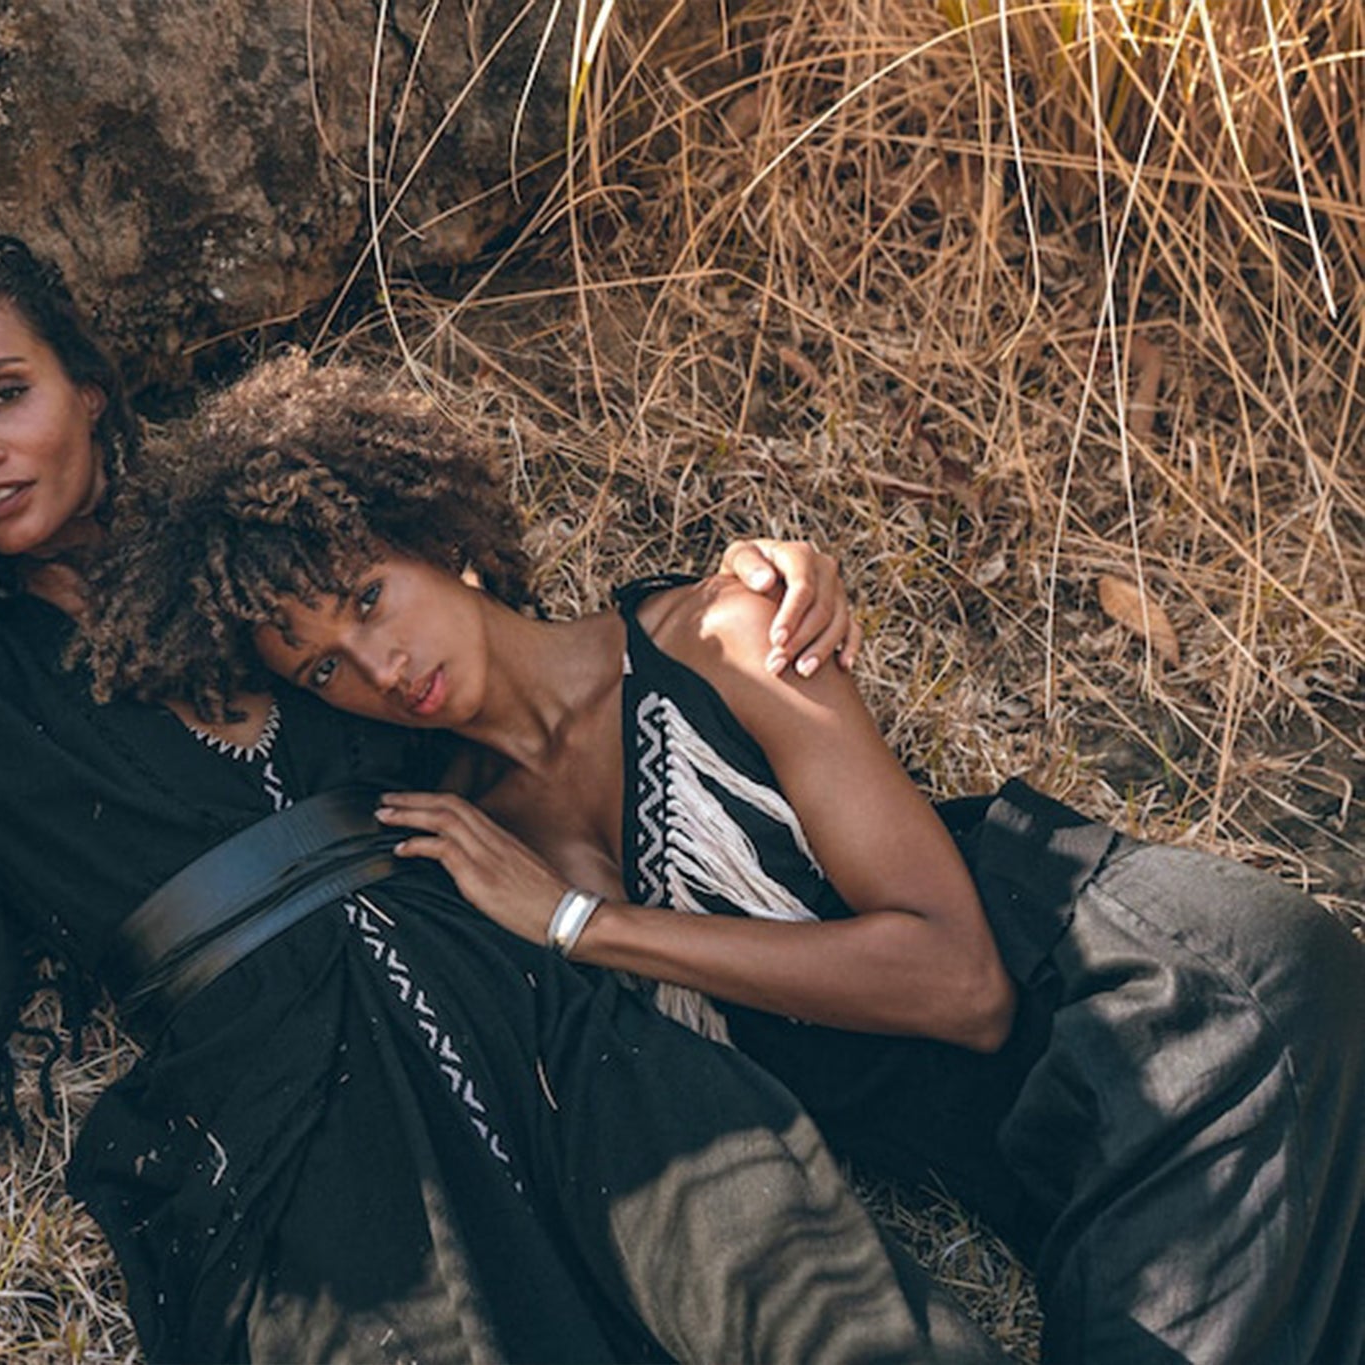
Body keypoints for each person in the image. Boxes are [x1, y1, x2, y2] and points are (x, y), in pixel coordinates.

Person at [0, 236, 1009, 1363]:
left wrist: (768, 566)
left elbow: (562, 674)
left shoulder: (285, 569)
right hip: (276, 1102)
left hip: (545, 1015)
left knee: (819, 1321)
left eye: (5, 393)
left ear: (91, 392)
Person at [84, 353, 1365, 1365]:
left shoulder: (719, 629)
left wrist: (584, 923)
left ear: (431, 532)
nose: (376, 667)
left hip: (1170, 1012)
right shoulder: (459, 854)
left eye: (366, 597)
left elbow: (959, 985)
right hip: (1050, 1163)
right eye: (320, 666)